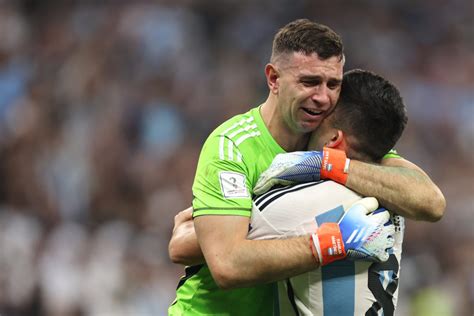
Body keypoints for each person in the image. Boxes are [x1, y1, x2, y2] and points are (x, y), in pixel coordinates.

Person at [168, 19, 445, 315]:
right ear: (274, 79)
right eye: (309, 82)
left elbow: (431, 202)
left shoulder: (333, 138)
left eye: (333, 84)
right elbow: (227, 264)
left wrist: (329, 164)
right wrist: (332, 242)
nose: (323, 97)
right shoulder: (233, 146)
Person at [248, 69, 407, 315]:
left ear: (333, 138)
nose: (309, 126)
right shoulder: (395, 199)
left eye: (318, 119)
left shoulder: (303, 203)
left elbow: (215, 243)